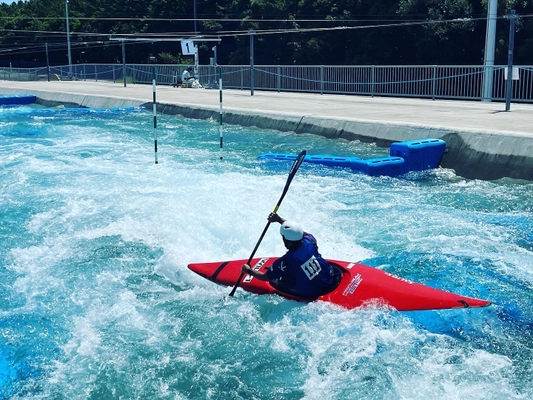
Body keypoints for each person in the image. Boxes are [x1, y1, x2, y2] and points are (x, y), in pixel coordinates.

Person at [241, 213, 335, 298]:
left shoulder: (286, 261)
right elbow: (296, 231)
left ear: (286, 241)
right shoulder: (309, 240)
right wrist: (278, 219)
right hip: (329, 278)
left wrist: (249, 270)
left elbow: (265, 277)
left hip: (311, 292)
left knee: (277, 281)